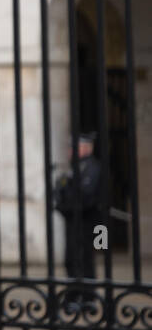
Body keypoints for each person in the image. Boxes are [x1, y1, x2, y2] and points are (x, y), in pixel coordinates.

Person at [53, 133, 102, 311]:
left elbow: (86, 197)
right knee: (71, 260)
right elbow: (64, 191)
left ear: (86, 148)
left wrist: (66, 202)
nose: (69, 151)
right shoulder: (75, 168)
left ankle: (87, 297)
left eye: (74, 147)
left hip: (88, 223)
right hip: (73, 221)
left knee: (84, 259)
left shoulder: (92, 167)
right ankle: (74, 294)